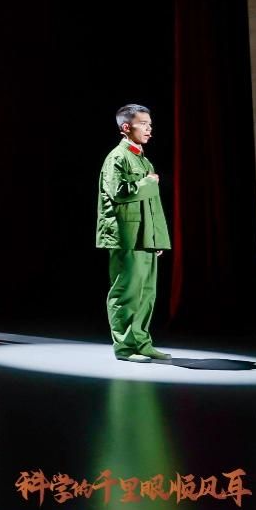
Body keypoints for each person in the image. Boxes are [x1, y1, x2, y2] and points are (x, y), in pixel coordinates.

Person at [95, 104, 171, 363]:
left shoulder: (144, 159)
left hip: (145, 235)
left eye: (150, 124)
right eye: (143, 124)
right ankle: (125, 348)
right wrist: (148, 183)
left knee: (147, 292)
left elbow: (152, 205)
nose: (149, 129)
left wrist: (156, 237)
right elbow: (119, 193)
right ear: (126, 127)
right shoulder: (117, 157)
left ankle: (142, 342)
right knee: (127, 291)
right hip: (126, 235)